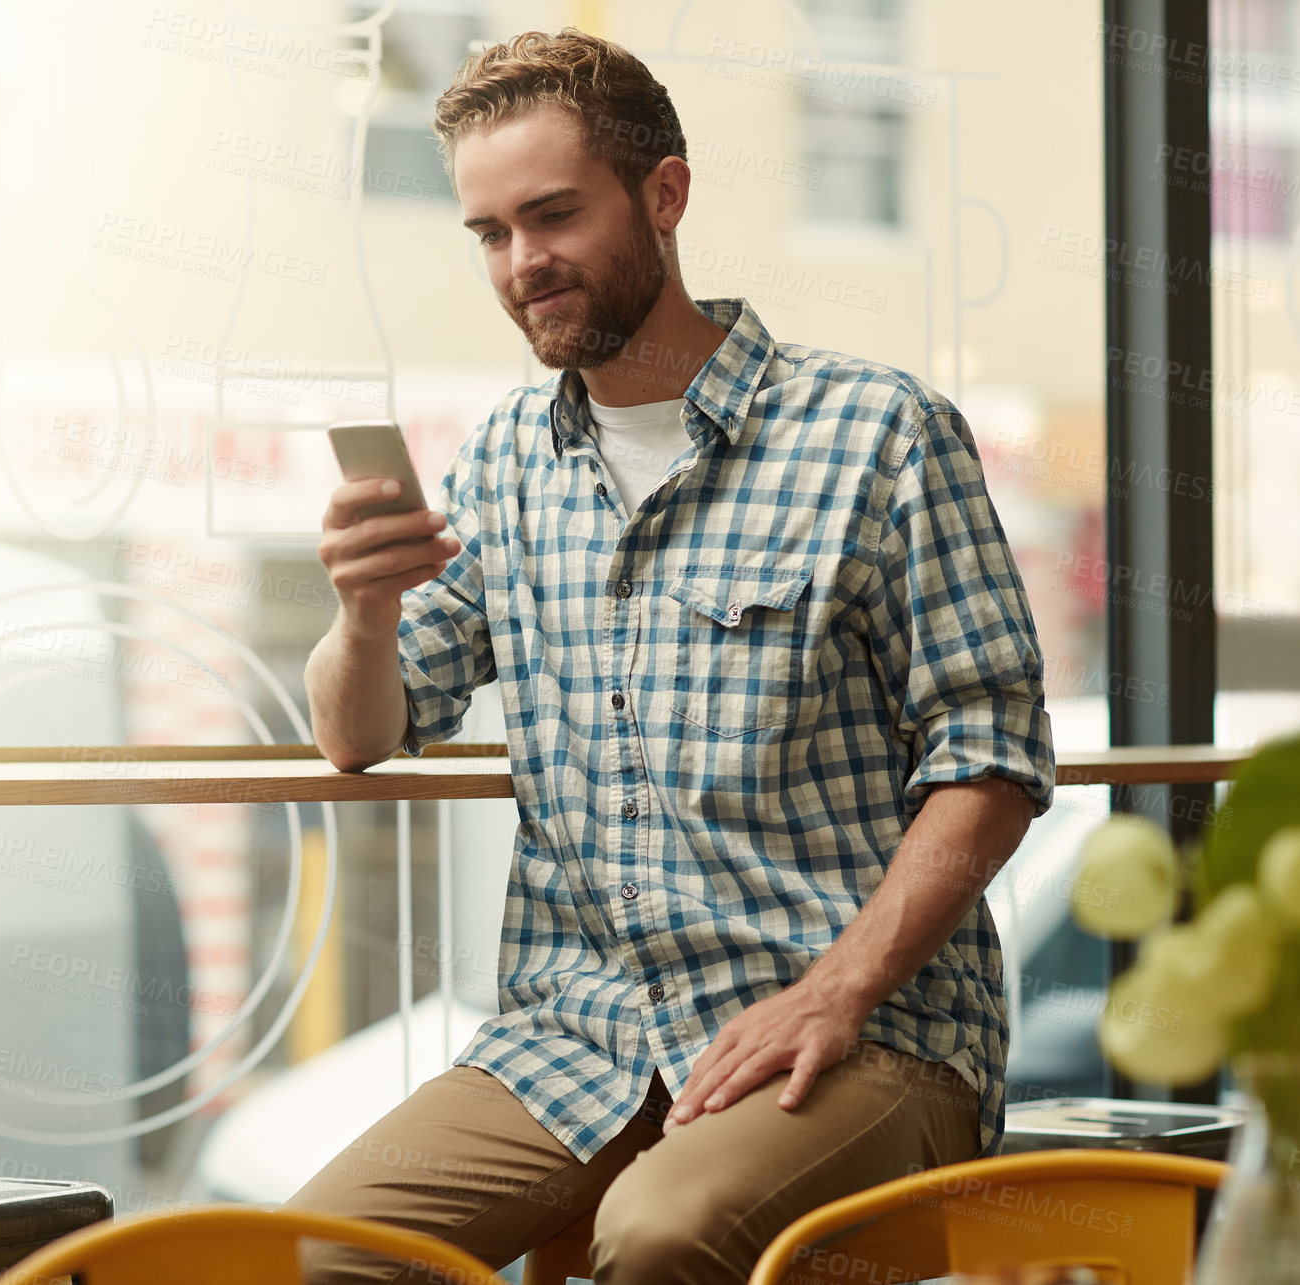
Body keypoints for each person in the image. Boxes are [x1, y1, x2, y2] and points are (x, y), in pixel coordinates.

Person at [290, 27, 1054, 1285]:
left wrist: (836, 992)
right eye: (489, 233)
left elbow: (994, 761)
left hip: (865, 1037)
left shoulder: (878, 434)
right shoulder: (500, 462)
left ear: (664, 193)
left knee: (657, 1233)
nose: (523, 263)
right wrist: (363, 612)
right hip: (577, 1036)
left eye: (552, 215)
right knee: (312, 1256)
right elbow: (357, 733)